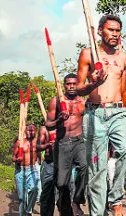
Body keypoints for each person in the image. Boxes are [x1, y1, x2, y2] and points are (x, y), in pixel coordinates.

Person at [76, 14, 126, 216]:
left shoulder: (124, 58)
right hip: (94, 114)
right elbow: (78, 89)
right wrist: (93, 83)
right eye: (111, 30)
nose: (115, 34)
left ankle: (116, 199)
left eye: (118, 31)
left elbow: (124, 89)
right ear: (100, 31)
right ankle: (97, 212)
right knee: (97, 170)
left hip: (118, 112)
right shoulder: (88, 54)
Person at [46, 73, 86, 216]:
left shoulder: (83, 102)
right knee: (62, 183)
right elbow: (48, 125)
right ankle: (64, 207)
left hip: (79, 141)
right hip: (62, 143)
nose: (71, 86)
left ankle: (77, 200)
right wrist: (58, 120)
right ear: (64, 85)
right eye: (68, 84)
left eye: (74, 83)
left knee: (85, 167)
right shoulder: (56, 101)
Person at [12, 124, 41, 216]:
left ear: (35, 132)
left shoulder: (37, 143)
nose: (30, 132)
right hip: (20, 170)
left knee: (34, 189)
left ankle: (29, 211)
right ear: (25, 131)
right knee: (22, 198)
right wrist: (17, 159)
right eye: (28, 130)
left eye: (32, 130)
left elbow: (39, 156)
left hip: (32, 169)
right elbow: (13, 157)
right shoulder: (20, 143)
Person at [37, 125, 56, 216]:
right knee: (45, 193)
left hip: (60, 165)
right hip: (48, 164)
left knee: (53, 195)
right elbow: (38, 146)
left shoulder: (65, 128)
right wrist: (48, 144)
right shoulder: (44, 129)